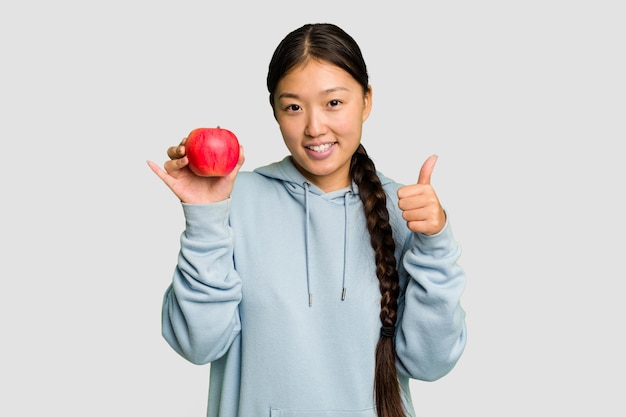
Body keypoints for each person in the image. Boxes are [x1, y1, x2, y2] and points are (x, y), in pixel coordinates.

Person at [147, 22, 467, 417]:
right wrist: (206, 217)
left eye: (334, 103)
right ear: (275, 112)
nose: (315, 127)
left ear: (366, 101)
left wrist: (434, 243)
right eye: (294, 107)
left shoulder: (405, 210)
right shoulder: (233, 200)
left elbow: (430, 363)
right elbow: (197, 344)